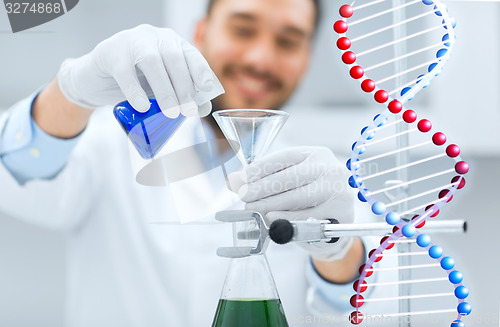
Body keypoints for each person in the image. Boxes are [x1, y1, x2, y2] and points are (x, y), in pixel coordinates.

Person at [0, 0, 368, 326]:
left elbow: (359, 308)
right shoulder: (110, 145)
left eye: (288, 41)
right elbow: (16, 174)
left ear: (307, 56)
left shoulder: (326, 183)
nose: (260, 58)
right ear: (201, 32)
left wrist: (336, 248)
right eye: (243, 28)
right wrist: (70, 93)